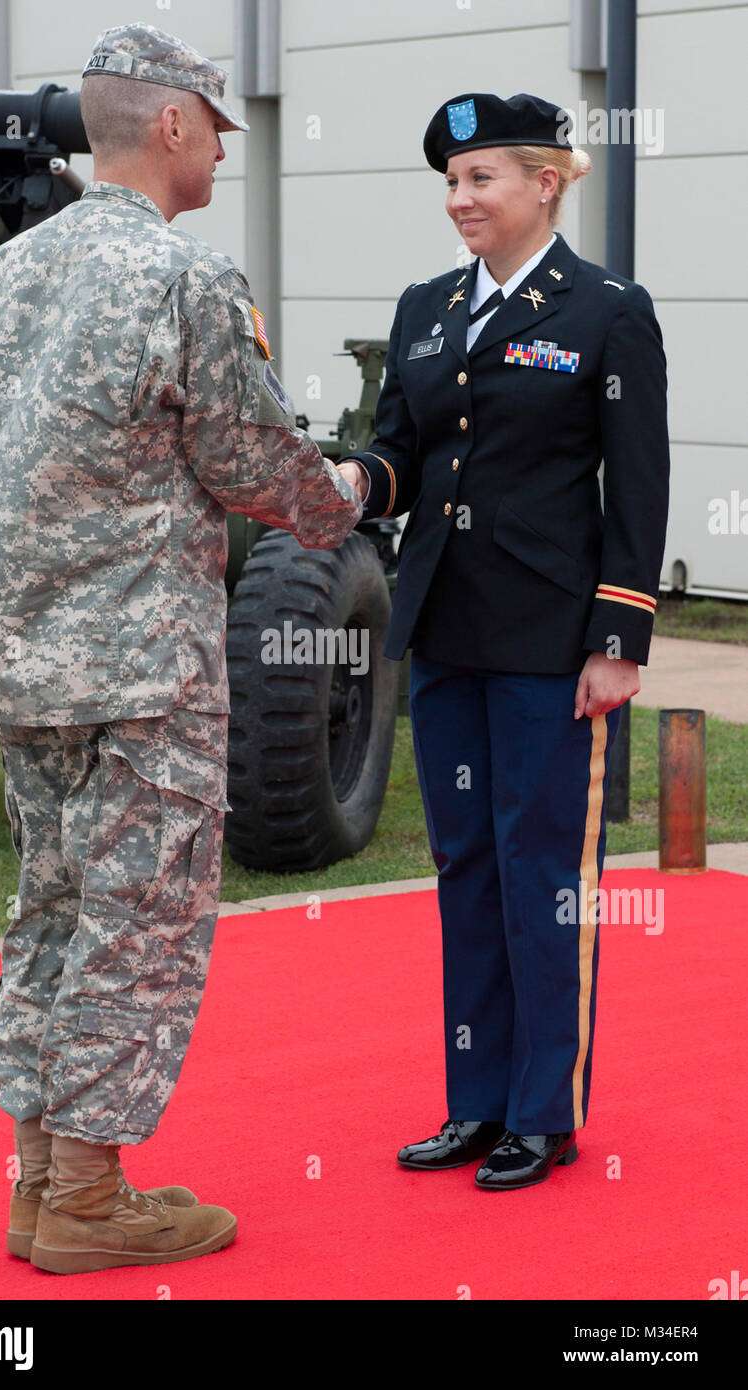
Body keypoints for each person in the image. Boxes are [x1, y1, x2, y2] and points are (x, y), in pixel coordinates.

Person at [0, 22, 365, 1273]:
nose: (223, 155)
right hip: (142, 674)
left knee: (51, 912)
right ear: (170, 123)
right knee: (141, 923)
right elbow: (248, 461)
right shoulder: (185, 278)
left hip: (21, 665)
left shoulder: (2, 274)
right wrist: (345, 493)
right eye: (217, 130)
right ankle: (87, 1198)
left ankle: (35, 1184)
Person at [338, 92, 669, 1190]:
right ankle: (473, 1104)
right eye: (449, 182)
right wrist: (348, 483)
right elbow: (400, 452)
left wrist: (617, 635)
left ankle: (543, 1111)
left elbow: (638, 483)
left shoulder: (605, 311)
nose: (458, 199)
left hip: (548, 643)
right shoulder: (424, 307)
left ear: (548, 181)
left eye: (480, 178)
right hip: (443, 631)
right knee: (464, 868)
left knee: (543, 875)